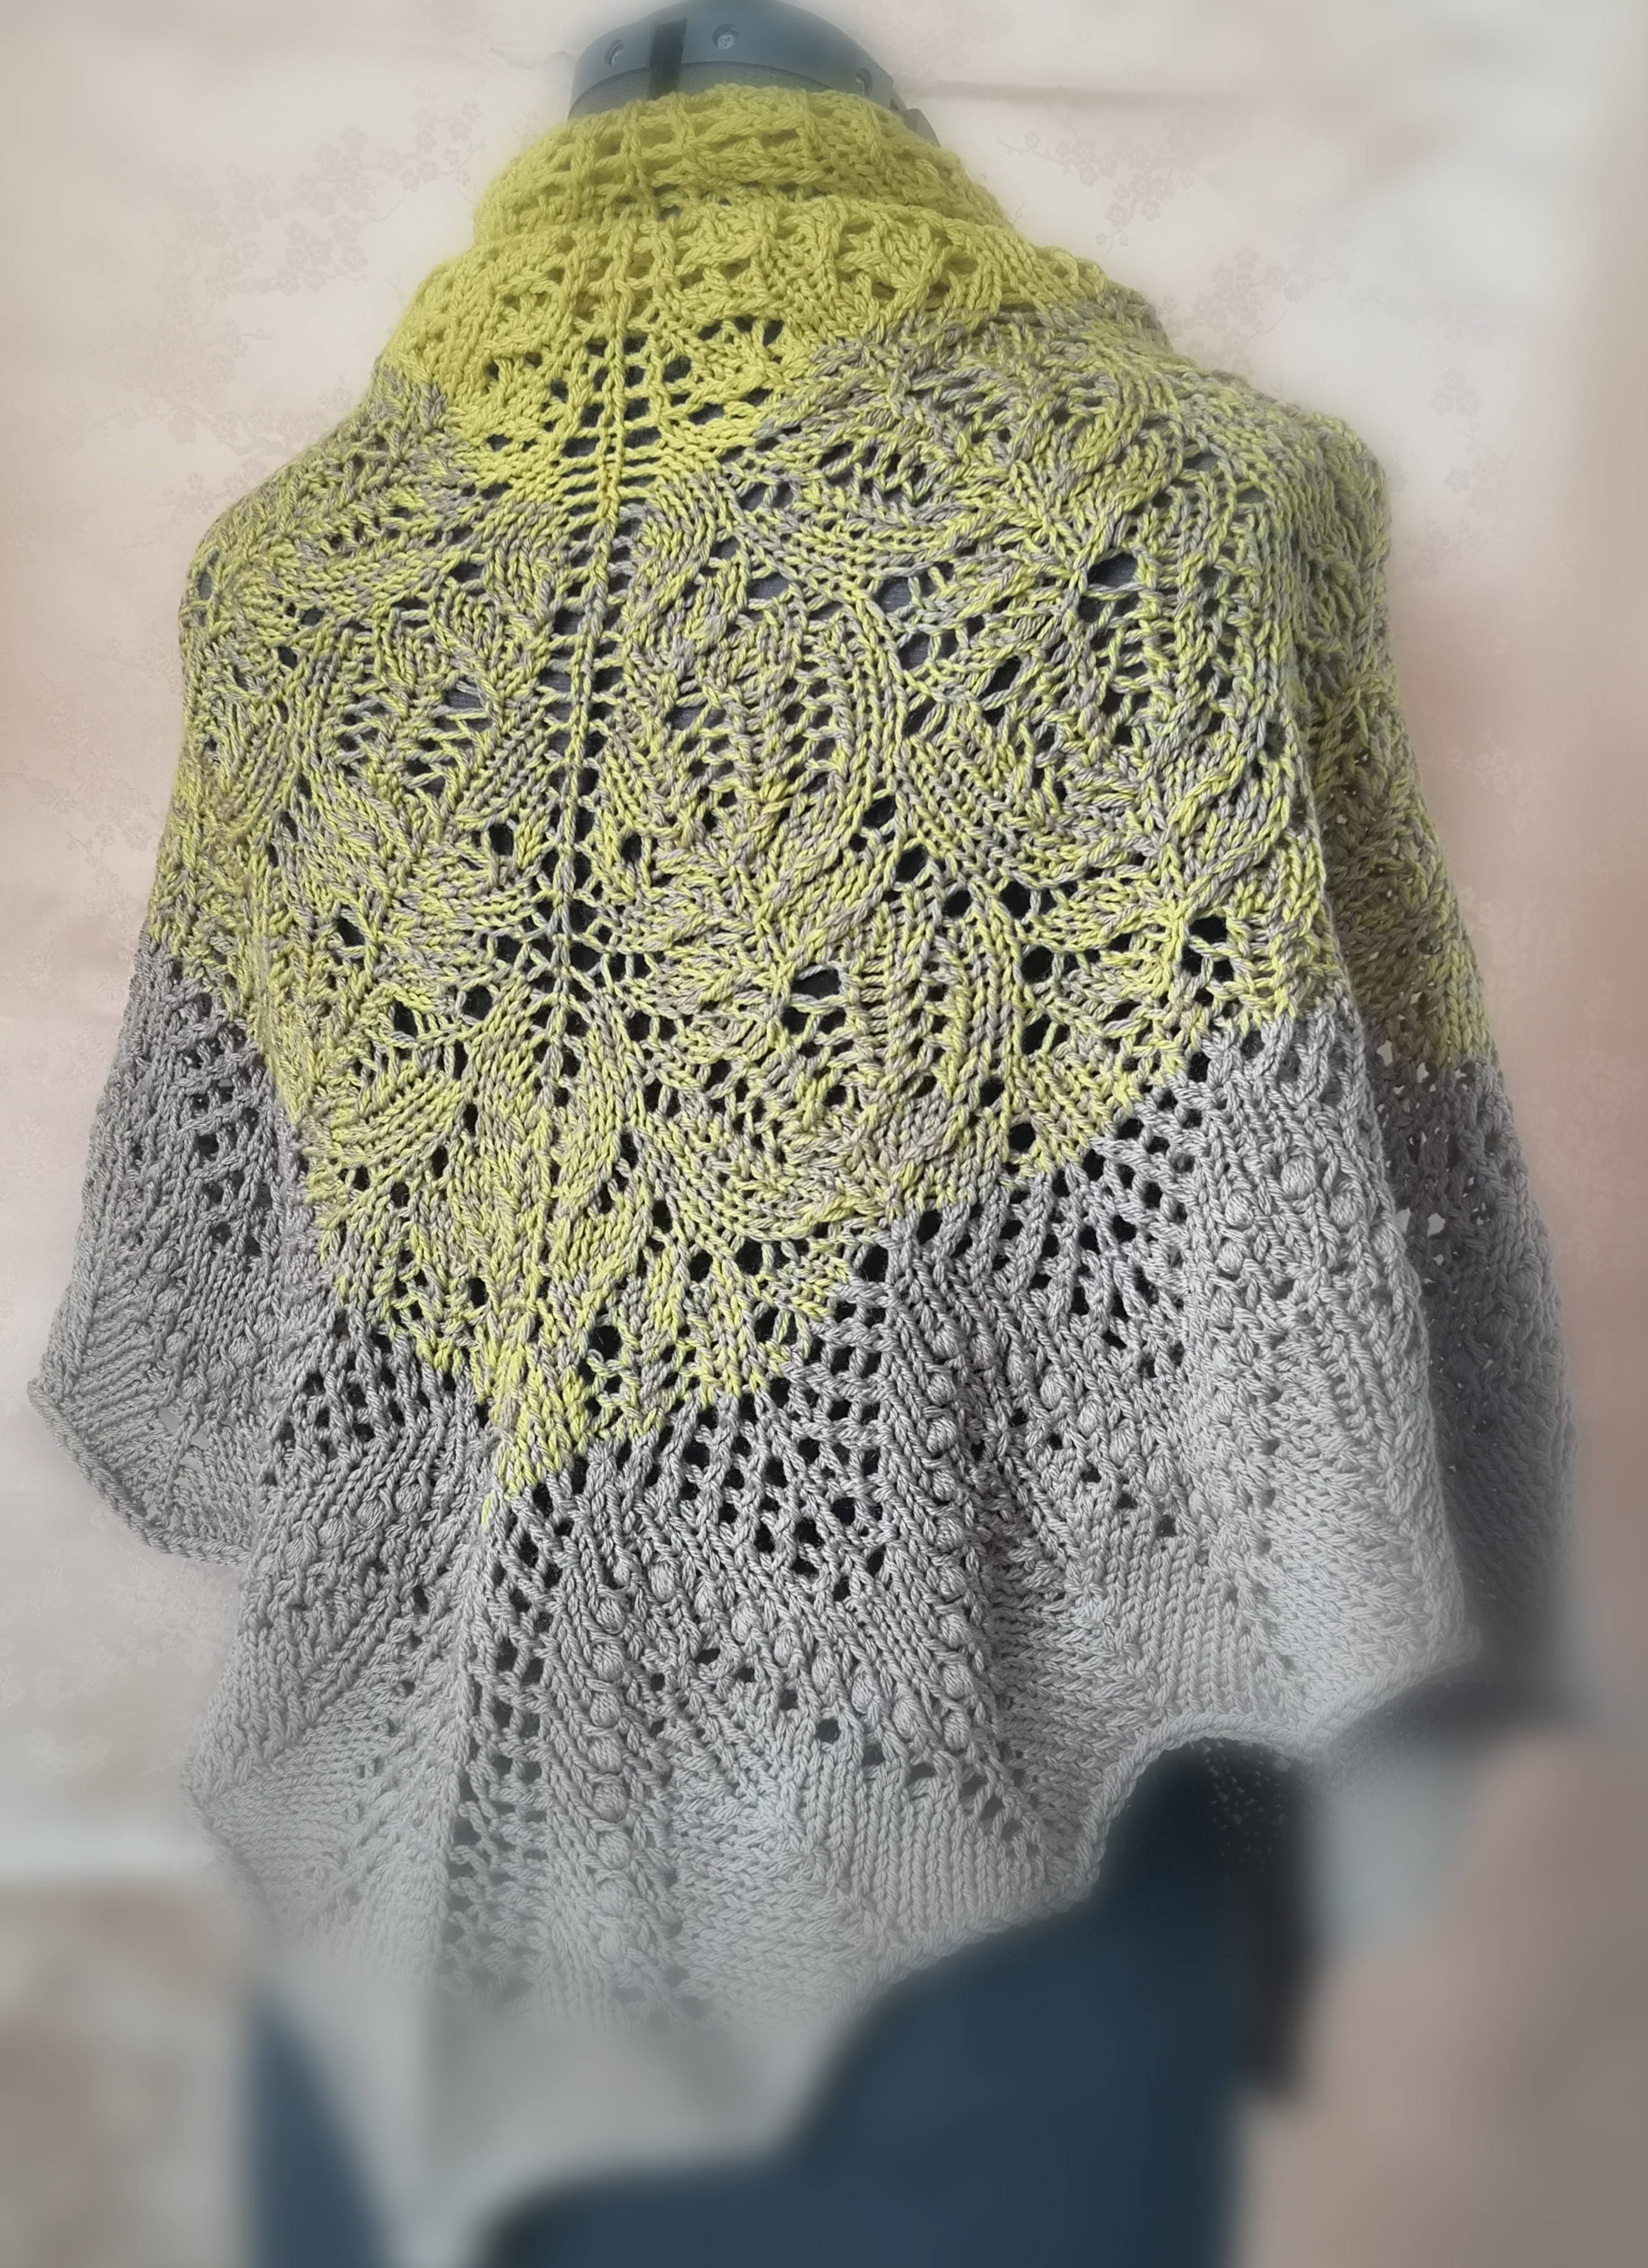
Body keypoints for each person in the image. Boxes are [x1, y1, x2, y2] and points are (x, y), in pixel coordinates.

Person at [29, 8, 1575, 2265]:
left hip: (925, 1896)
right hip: (928, 1942)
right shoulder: (1171, 499)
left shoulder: (298, 579)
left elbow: (1299, 1213)